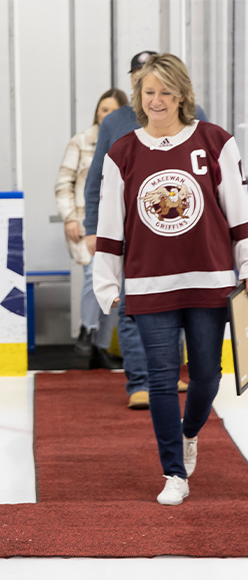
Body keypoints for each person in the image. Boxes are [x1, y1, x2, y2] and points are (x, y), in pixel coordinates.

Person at [92, 53, 248, 506]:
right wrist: (107, 280)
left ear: (182, 94)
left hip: (210, 279)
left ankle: (189, 432)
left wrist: (245, 269)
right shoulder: (123, 152)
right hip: (149, 283)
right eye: (148, 92)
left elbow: (238, 214)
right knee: (161, 380)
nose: (157, 100)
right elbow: (111, 222)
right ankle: (173, 472)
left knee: (206, 376)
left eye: (165, 91)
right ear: (139, 97)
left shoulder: (216, 142)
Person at [84, 51, 207, 409]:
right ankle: (139, 382)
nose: (144, 82)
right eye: (138, 75)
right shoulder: (115, 122)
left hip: (181, 230)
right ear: (133, 80)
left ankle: (170, 376)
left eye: (151, 76)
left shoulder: (196, 118)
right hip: (131, 234)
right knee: (130, 307)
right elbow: (97, 182)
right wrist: (94, 228)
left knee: (181, 300)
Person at [55, 88, 127, 369]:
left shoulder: (130, 142)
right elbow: (64, 183)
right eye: (102, 109)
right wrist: (70, 218)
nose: (106, 115)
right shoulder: (81, 142)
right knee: (91, 275)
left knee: (114, 284)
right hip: (87, 223)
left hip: (119, 225)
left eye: (112, 110)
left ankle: (99, 344)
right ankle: (86, 330)